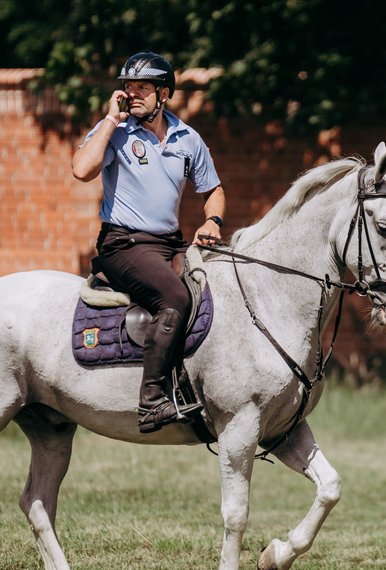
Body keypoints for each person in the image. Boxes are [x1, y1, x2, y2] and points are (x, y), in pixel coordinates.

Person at [72, 51, 226, 434]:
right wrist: (111, 118)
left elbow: (214, 190)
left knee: (220, 290)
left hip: (171, 244)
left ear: (164, 92)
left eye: (143, 88)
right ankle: (152, 400)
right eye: (128, 87)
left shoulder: (187, 138)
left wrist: (212, 219)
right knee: (174, 298)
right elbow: (82, 169)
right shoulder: (116, 132)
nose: (133, 94)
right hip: (122, 244)